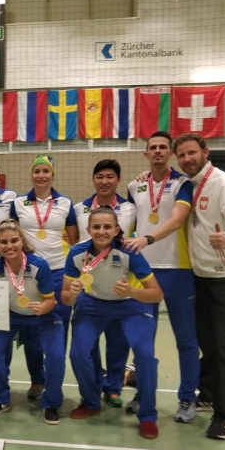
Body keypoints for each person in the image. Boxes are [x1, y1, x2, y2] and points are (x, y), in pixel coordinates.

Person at [174, 133, 225, 440]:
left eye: (191, 153)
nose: (187, 159)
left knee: (223, 345)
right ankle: (207, 394)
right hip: (201, 275)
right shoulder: (189, 185)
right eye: (181, 155)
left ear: (205, 152)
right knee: (206, 340)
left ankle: (224, 415)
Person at [63, 207, 163, 439]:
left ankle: (148, 415)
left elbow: (157, 294)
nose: (102, 231)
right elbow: (66, 299)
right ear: (88, 229)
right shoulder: (77, 252)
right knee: (78, 354)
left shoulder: (129, 251)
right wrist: (73, 294)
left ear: (117, 229)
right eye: (96, 227)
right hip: (93, 304)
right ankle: (91, 402)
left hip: (130, 304)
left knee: (145, 355)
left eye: (107, 227)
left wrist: (132, 291)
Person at [123, 130, 200, 423]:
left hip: (178, 270)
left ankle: (187, 398)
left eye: (163, 147)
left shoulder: (183, 184)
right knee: (144, 340)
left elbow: (177, 219)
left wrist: (147, 239)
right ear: (146, 154)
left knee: (186, 339)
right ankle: (143, 394)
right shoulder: (134, 186)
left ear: (170, 153)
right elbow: (129, 222)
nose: (157, 151)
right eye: (152, 147)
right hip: (144, 271)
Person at [10, 154, 79, 401]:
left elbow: (74, 239)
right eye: (37, 171)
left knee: (58, 329)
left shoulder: (65, 203)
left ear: (52, 174)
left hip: (59, 272)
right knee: (31, 332)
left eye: (46, 171)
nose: (41, 175)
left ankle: (53, 382)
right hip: (30, 274)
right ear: (31, 175)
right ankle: (37, 380)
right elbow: (12, 234)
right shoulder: (18, 203)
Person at [0, 219, 63, 424]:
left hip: (42, 315)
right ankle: (0, 398)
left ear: (22, 241)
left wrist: (43, 308)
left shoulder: (39, 265)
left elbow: (50, 300)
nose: (9, 246)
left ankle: (51, 402)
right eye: (3, 242)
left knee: (56, 356)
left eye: (14, 241)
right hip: (9, 314)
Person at [73, 159, 137, 408]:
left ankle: (113, 388)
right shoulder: (79, 209)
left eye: (110, 176)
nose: (104, 181)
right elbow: (75, 241)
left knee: (118, 343)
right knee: (86, 344)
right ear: (93, 180)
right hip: (88, 287)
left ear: (118, 180)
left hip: (119, 286)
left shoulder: (130, 208)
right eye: (100, 176)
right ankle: (95, 384)